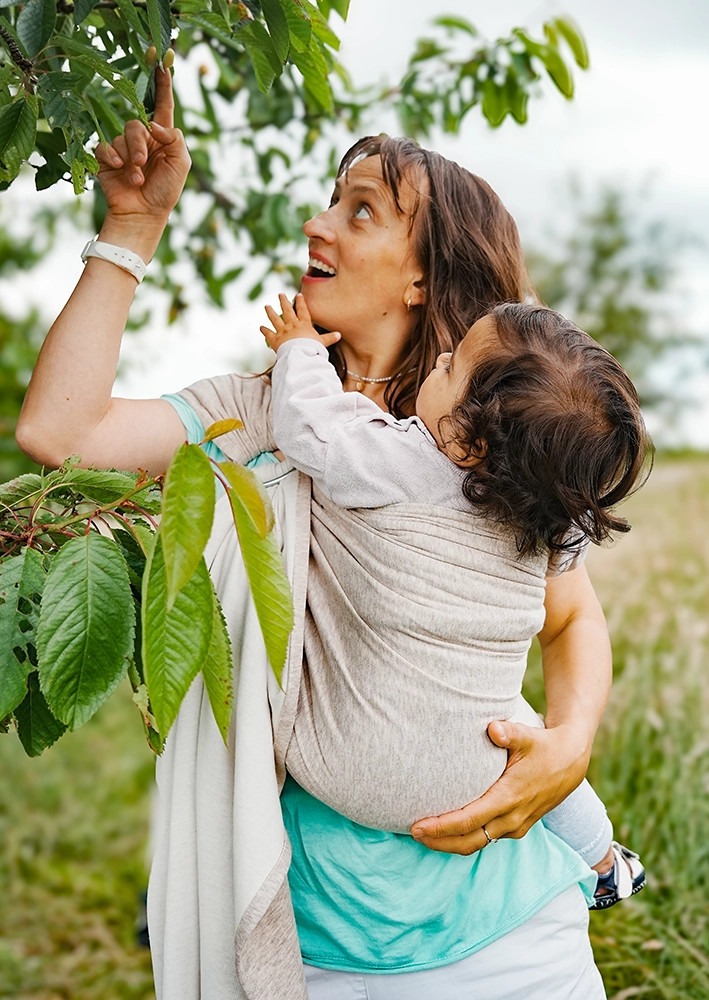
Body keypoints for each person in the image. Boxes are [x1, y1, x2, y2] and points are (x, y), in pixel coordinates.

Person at [15, 66, 635, 999]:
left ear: (423, 272)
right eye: (327, 203)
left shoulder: (495, 458)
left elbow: (572, 618)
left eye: (361, 212)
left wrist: (572, 741)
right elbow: (58, 433)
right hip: (320, 946)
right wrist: (133, 228)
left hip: (517, 936)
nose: (317, 225)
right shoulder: (262, 413)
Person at [261, 291, 648, 906]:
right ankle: (605, 861)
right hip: (486, 767)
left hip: (336, 767)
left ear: (468, 444)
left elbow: (312, 424)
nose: (439, 355)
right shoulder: (554, 517)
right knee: (530, 732)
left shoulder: (402, 461)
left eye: (450, 366)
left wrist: (299, 349)